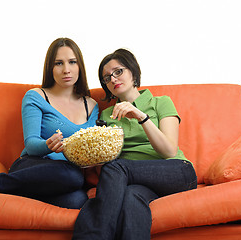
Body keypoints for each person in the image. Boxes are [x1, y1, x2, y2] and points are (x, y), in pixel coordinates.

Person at [0, 37, 99, 209]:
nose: (66, 70)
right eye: (59, 63)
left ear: (80, 66)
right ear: (50, 68)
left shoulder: (91, 105)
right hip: (33, 165)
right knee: (72, 176)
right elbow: (31, 145)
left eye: (72, 62)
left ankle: (8, 189)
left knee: (77, 201)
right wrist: (48, 145)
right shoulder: (36, 96)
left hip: (63, 179)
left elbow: (90, 149)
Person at [72, 49, 197, 239]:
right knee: (131, 198)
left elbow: (170, 151)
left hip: (176, 172)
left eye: (118, 71)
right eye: (107, 78)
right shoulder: (107, 115)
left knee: (117, 167)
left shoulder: (160, 102)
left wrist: (141, 116)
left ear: (133, 71)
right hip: (134, 183)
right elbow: (106, 160)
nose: (113, 79)